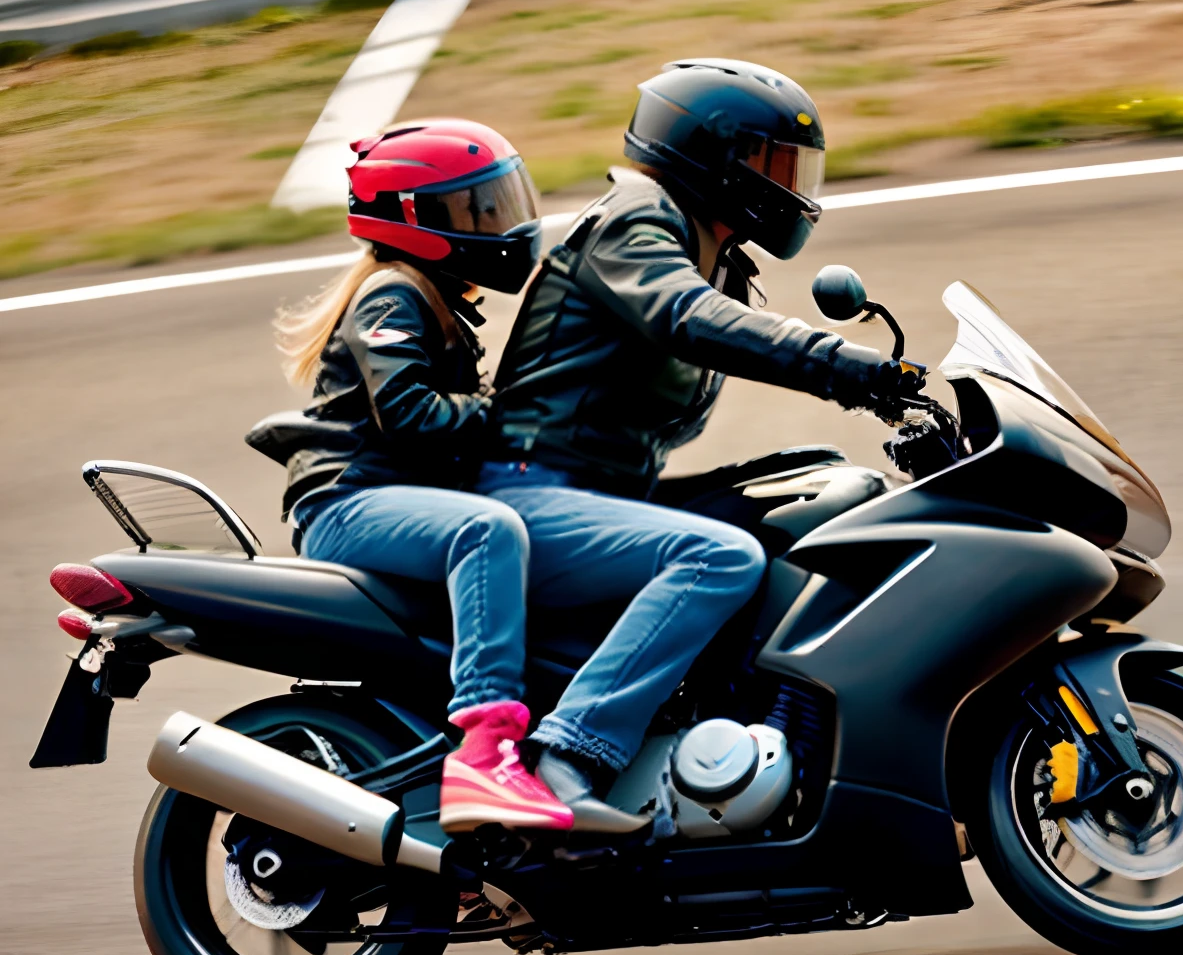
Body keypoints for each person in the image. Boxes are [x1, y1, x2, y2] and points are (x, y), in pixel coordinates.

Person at [481, 59, 926, 830]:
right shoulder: (633, 223)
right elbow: (690, 319)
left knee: (816, 487)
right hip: (535, 489)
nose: (786, 185)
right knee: (722, 557)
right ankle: (570, 756)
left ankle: (759, 727)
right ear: (707, 156)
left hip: (601, 490)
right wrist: (846, 369)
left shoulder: (711, 249)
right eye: (768, 163)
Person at [246, 118, 572, 834]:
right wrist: (507, 415)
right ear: (414, 222)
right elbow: (409, 413)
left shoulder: (437, 301)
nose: (502, 223)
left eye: (501, 203)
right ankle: (487, 745)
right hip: (349, 504)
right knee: (488, 532)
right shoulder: (393, 295)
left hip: (390, 500)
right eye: (477, 210)